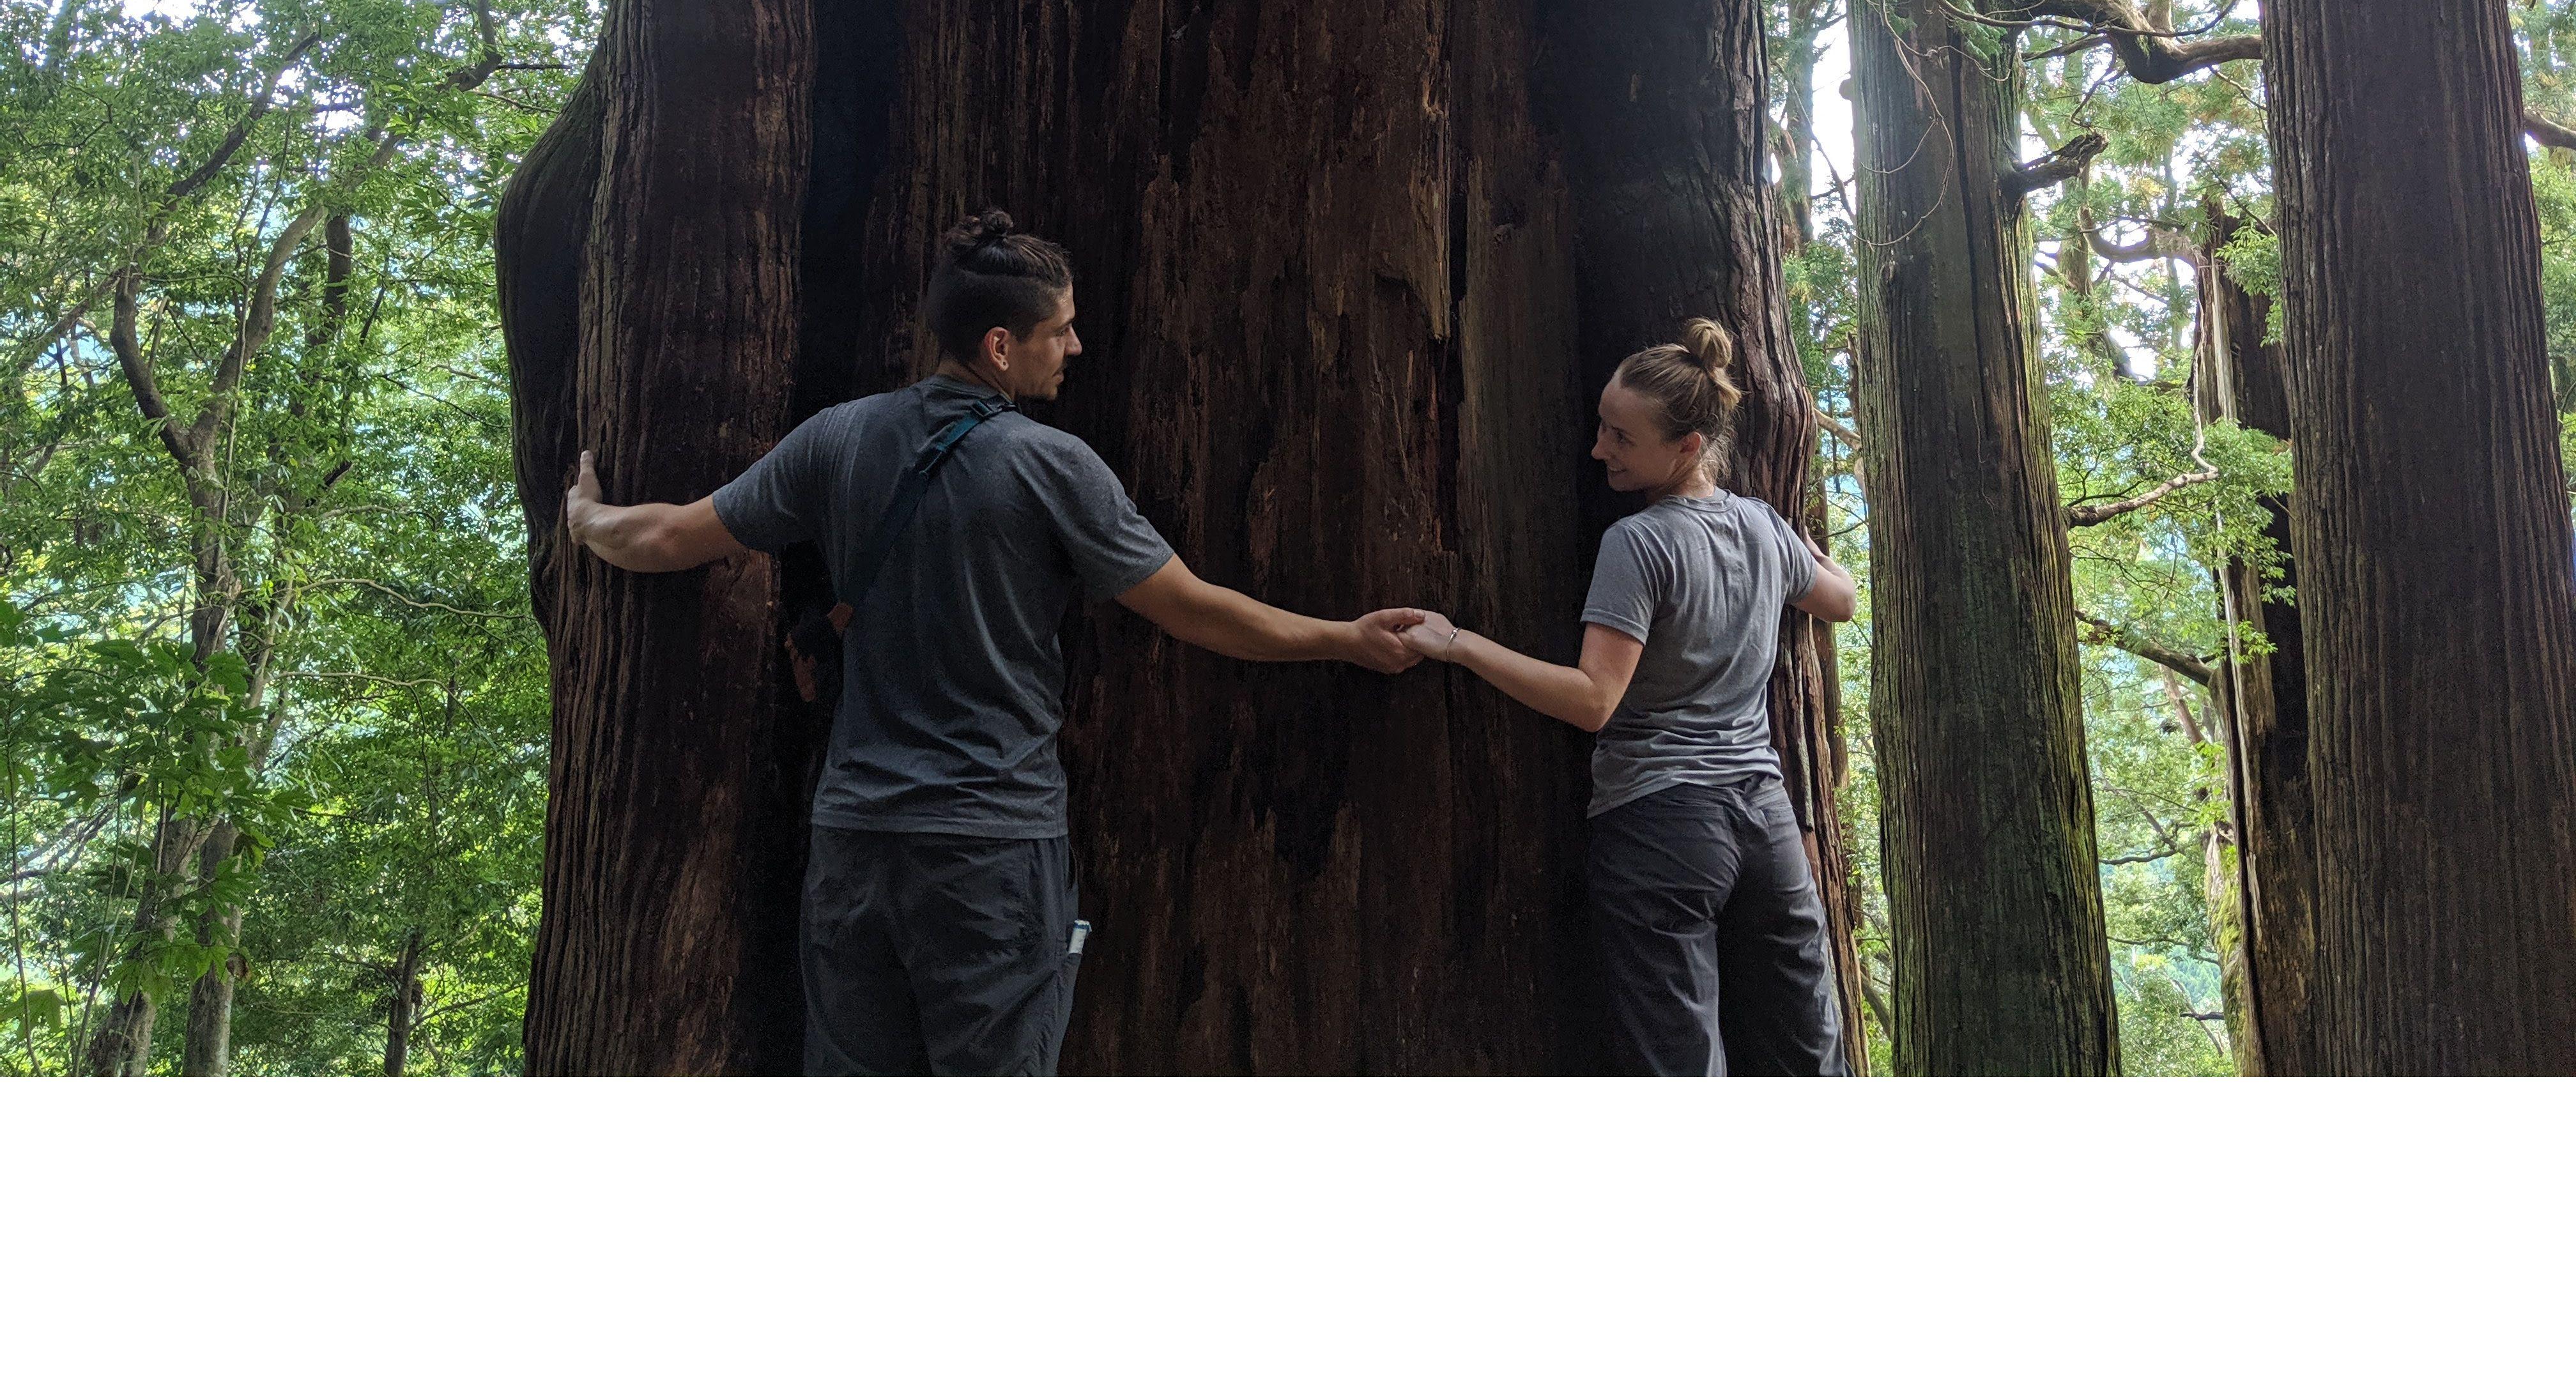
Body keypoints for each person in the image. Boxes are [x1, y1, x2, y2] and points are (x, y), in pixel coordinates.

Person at [562, 208, 1425, 1076]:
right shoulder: (1051, 466)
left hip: (855, 848)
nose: (1077, 348)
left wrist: (586, 514)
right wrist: (1343, 639)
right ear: (1003, 346)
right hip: (990, 854)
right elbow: (1195, 609)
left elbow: (665, 539)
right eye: (1062, 330)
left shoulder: (838, 439)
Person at [1407, 317, 1857, 1076]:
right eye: (1601, 425)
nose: (1598, 448)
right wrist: (1801, 547)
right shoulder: (1762, 527)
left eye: (1620, 436)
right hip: (1767, 827)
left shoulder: (1639, 543)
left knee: (1677, 1069)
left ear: (1686, 446)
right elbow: (1841, 600)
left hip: (1663, 826)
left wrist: (1457, 642)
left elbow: (1592, 700)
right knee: (1807, 1054)